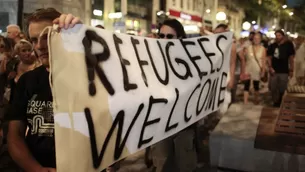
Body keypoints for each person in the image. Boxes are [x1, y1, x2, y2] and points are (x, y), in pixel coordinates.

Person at [6, 8, 81, 172]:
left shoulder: (91, 77)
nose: (39, 46)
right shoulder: (27, 81)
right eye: (33, 40)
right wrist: (37, 169)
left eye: (47, 37)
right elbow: (14, 135)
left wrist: (82, 35)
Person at [151, 19, 197, 172]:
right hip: (159, 127)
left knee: (184, 166)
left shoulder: (192, 62)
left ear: (179, 38)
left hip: (184, 127)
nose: (164, 40)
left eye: (169, 37)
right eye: (161, 36)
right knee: (162, 166)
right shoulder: (148, 60)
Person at [267, 30, 295, 107]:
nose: (277, 37)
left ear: (283, 36)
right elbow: (269, 57)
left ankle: (280, 102)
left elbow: (291, 58)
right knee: (273, 88)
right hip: (274, 70)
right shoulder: (272, 45)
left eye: (279, 35)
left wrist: (291, 69)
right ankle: (275, 101)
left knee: (282, 88)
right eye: (276, 35)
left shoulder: (288, 45)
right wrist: (270, 67)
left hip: (284, 70)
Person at [240, 32, 266, 104]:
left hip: (257, 69)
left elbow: (263, 61)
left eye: (258, 38)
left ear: (260, 39)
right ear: (253, 39)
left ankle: (256, 99)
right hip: (248, 68)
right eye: (255, 38)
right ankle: (245, 101)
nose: (256, 40)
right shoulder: (248, 48)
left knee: (256, 85)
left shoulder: (263, 49)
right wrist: (243, 70)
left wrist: (263, 71)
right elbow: (243, 58)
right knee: (247, 85)